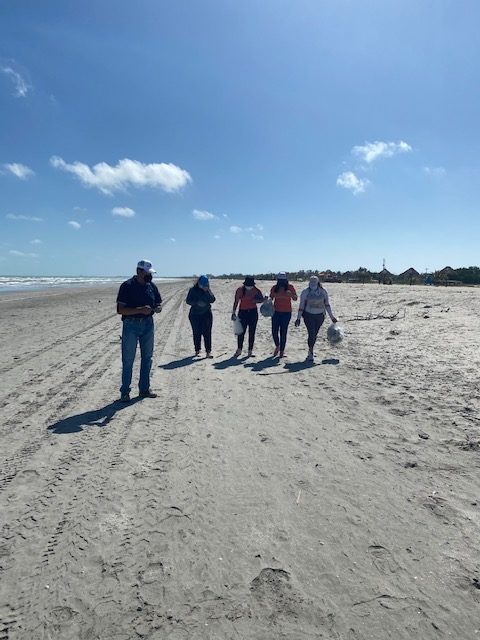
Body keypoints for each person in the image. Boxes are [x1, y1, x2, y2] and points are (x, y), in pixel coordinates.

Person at [116, 259, 162, 402]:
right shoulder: (127, 286)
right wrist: (140, 310)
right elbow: (120, 309)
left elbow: (158, 303)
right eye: (148, 273)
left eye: (151, 273)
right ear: (139, 271)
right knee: (128, 360)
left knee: (147, 358)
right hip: (131, 325)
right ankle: (125, 392)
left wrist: (157, 308)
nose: (150, 275)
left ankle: (144, 389)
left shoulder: (151, 286)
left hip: (148, 324)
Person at [295, 275, 337, 361]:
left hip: (320, 316)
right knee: (312, 334)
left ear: (318, 283)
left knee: (315, 334)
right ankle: (310, 352)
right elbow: (301, 305)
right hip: (308, 315)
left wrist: (332, 317)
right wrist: (298, 318)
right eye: (311, 282)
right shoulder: (305, 292)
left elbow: (327, 305)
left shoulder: (323, 292)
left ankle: (311, 349)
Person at [231, 276, 264, 357]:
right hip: (242, 312)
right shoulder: (240, 290)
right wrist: (233, 312)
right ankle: (239, 349)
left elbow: (262, 299)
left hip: (253, 312)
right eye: (248, 285)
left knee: (252, 332)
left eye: (250, 285)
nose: (249, 287)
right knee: (241, 332)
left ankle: (250, 350)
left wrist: (256, 301)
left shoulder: (256, 290)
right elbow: (236, 301)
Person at [186, 275, 216, 358]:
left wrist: (208, 291)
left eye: (205, 285)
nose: (203, 286)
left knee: (207, 333)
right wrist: (196, 302)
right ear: (198, 283)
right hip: (194, 314)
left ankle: (208, 352)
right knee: (196, 333)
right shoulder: (192, 290)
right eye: (202, 285)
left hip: (206, 314)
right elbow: (188, 301)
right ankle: (197, 350)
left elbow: (213, 300)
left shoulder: (208, 290)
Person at [269, 272, 297, 357]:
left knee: (283, 331)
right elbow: (271, 298)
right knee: (274, 331)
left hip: (286, 312)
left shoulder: (290, 287)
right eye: (280, 280)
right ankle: (277, 346)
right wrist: (267, 299)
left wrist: (291, 295)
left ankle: (282, 351)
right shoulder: (274, 288)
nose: (282, 282)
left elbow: (295, 298)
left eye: (283, 280)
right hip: (275, 312)